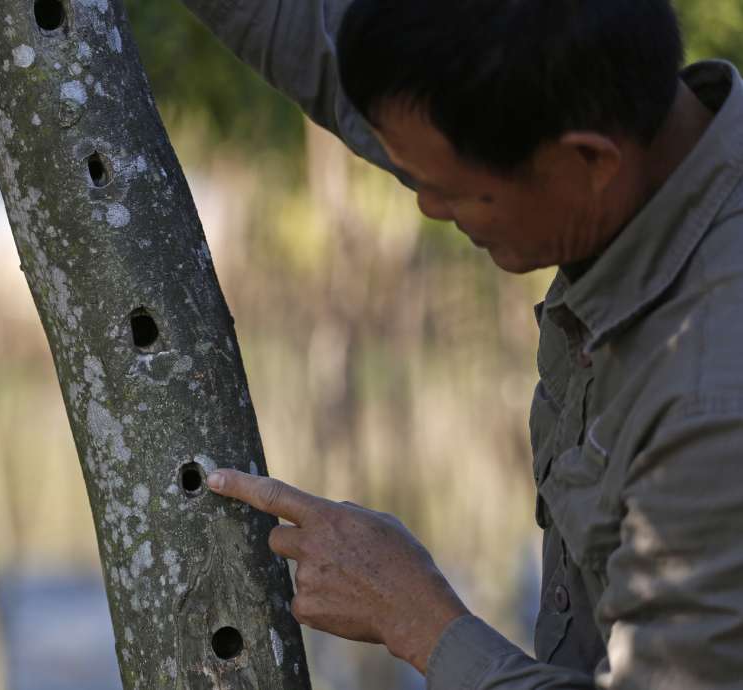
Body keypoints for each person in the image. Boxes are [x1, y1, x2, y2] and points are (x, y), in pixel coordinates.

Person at [180, 0, 743, 687]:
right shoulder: (613, 130)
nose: (429, 208)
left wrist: (420, 619)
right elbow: (316, 40)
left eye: (459, 193)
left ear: (588, 161)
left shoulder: (712, 402)